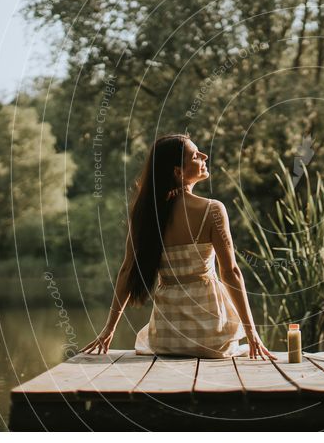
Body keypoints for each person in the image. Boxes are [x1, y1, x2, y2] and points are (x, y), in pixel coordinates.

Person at [80, 134, 277, 360]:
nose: (204, 156)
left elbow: (127, 270)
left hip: (166, 339)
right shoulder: (212, 210)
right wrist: (252, 334)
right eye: (195, 155)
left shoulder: (145, 214)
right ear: (178, 172)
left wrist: (109, 329)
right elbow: (230, 272)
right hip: (212, 338)